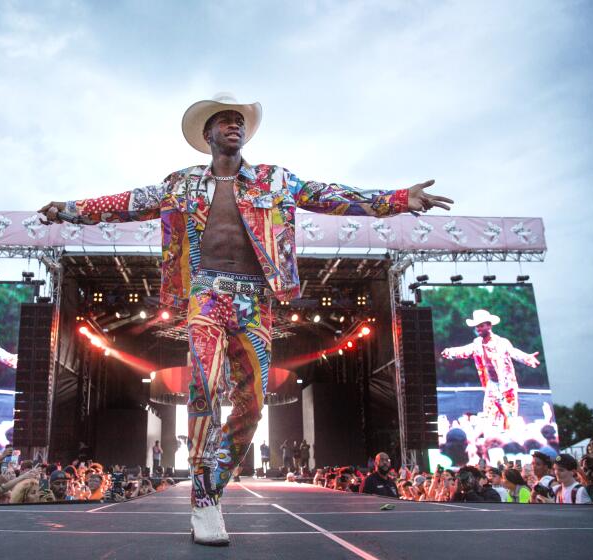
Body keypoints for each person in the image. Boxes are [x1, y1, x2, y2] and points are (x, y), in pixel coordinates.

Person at [39, 94, 452, 546]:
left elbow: (333, 196)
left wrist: (398, 199)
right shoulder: (181, 184)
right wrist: (70, 208)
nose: (234, 125)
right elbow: (126, 202)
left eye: (239, 120)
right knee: (204, 384)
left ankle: (212, 486)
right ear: (207, 135)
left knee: (252, 405)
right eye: (224, 120)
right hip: (206, 296)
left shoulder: (275, 180)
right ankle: (202, 498)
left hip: (256, 302)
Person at [441, 310, 540, 430]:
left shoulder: (501, 342)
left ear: (489, 325)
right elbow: (464, 350)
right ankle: (492, 442)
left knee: (509, 418)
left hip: (507, 387)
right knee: (488, 418)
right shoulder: (477, 343)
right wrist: (450, 352)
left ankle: (509, 442)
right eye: (477, 326)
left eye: (481, 325)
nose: (478, 329)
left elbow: (513, 352)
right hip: (492, 385)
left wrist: (528, 358)